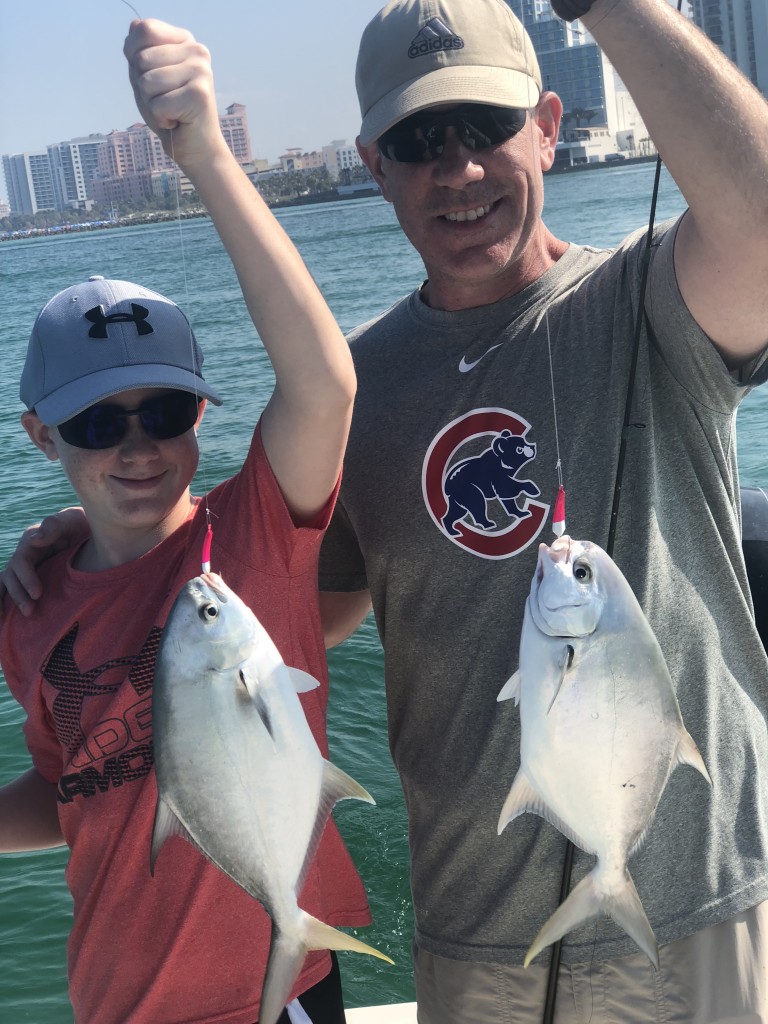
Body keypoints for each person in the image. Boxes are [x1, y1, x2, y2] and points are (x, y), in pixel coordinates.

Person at [5, 0, 768, 1020]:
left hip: (690, 904)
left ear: (547, 123)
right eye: (416, 141)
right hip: (475, 928)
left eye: (485, 127)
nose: (456, 170)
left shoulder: (653, 295)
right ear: (373, 164)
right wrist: (105, 550)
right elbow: (289, 617)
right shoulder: (366, 384)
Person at [0, 18, 372, 1024]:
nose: (135, 446)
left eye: (163, 411)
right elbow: (73, 786)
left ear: (201, 414)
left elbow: (324, 384)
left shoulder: (249, 545)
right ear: (41, 436)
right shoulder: (31, 604)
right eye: (96, 421)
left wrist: (203, 153)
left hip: (268, 997)